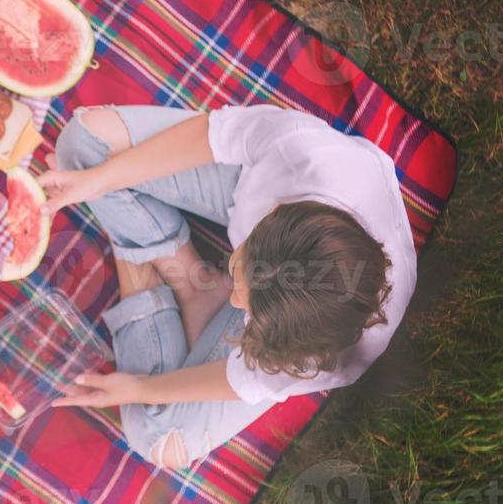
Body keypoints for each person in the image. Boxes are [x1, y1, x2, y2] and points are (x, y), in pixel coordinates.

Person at [40, 104, 415, 470]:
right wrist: (99, 180)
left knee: (156, 439)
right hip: (250, 183)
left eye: (243, 307)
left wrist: (140, 389)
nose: (236, 300)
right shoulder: (301, 154)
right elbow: (211, 134)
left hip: (286, 320)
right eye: (237, 267)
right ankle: (184, 279)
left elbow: (240, 379)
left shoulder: (325, 354)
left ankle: (145, 265)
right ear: (274, 216)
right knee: (82, 145)